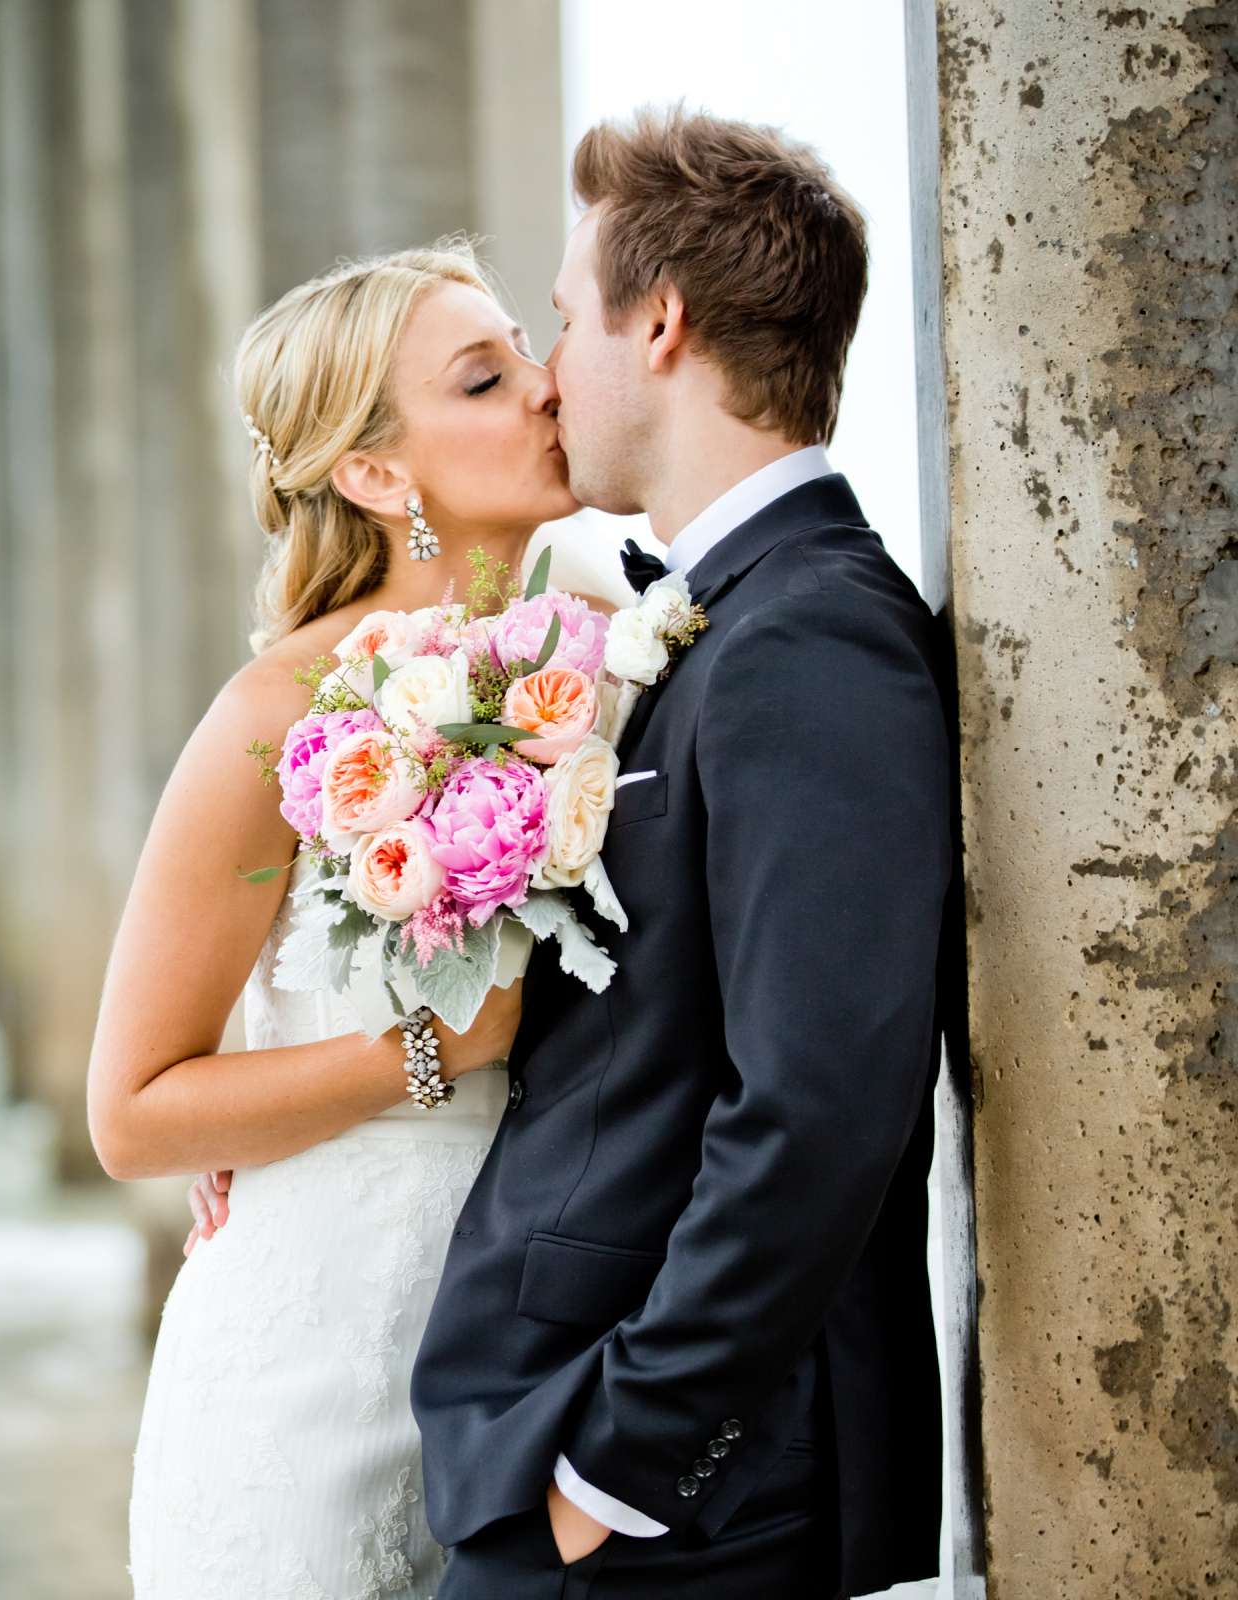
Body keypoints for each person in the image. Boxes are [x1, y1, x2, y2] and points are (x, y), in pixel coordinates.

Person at [408, 108, 953, 1597]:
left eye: (568, 319)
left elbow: (822, 1100)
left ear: (660, 322)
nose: (548, 373)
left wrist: (627, 1466)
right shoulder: (720, 616)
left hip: (684, 1501)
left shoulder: (815, 633)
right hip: (579, 1442)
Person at [90, 239, 611, 1597]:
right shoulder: (282, 714)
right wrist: (425, 1054)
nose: (548, 390)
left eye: (527, 353)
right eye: (486, 378)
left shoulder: (613, 654)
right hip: (308, 1368)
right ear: (379, 475)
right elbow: (133, 1109)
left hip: (546, 1349)